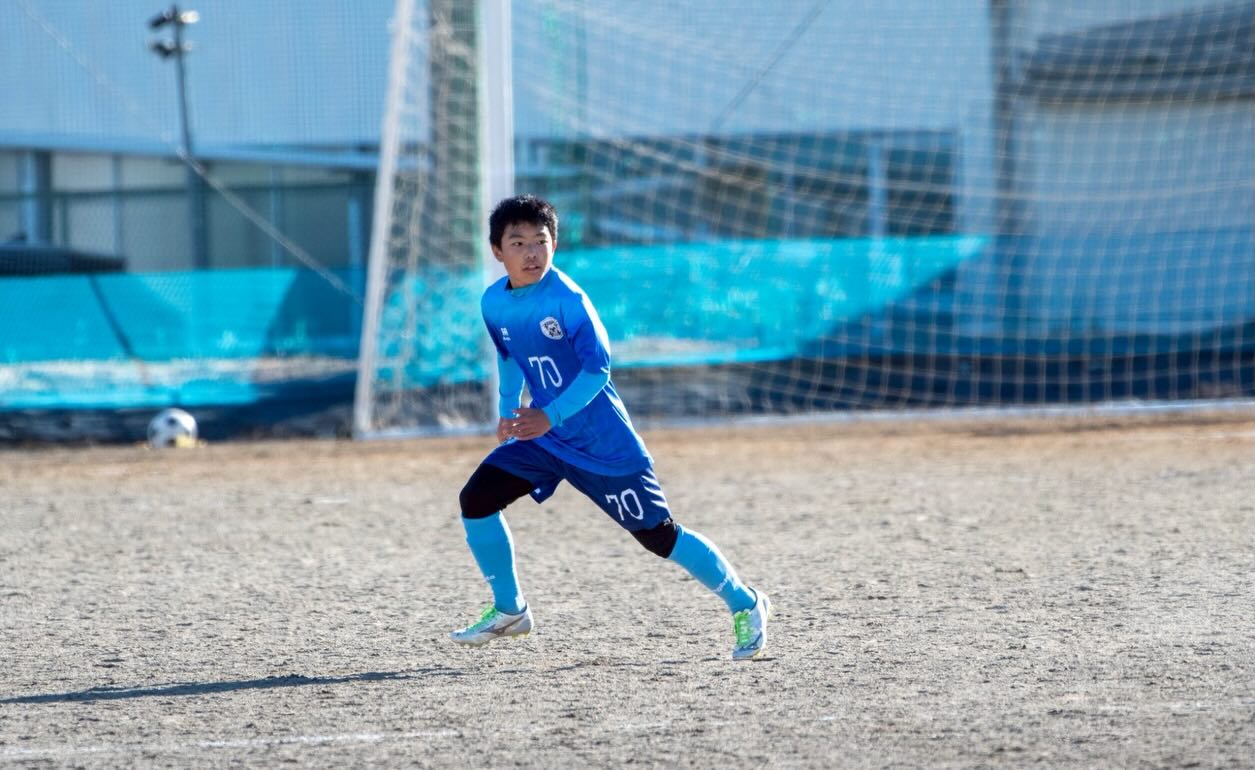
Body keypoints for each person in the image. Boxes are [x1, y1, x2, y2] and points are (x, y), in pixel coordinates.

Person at [449, 195, 769, 661]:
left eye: (540, 241)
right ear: (498, 251)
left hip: (603, 446)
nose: (531, 252)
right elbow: (508, 355)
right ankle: (510, 610)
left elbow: (597, 371)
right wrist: (507, 408)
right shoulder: (494, 302)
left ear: (555, 244)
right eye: (518, 243)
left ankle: (746, 602)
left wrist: (548, 415)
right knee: (477, 500)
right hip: (544, 439)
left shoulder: (569, 301)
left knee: (659, 536)